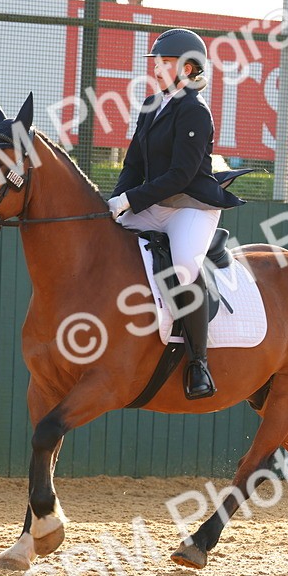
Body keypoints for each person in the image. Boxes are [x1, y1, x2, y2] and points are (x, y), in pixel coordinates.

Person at [108, 28, 243, 400]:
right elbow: (134, 164)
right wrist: (116, 200)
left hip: (190, 207)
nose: (157, 68)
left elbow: (180, 176)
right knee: (107, 235)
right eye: (157, 62)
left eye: (166, 62)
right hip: (153, 204)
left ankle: (199, 363)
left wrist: (131, 200)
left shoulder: (196, 112)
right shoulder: (152, 105)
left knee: (184, 265)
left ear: (188, 68)